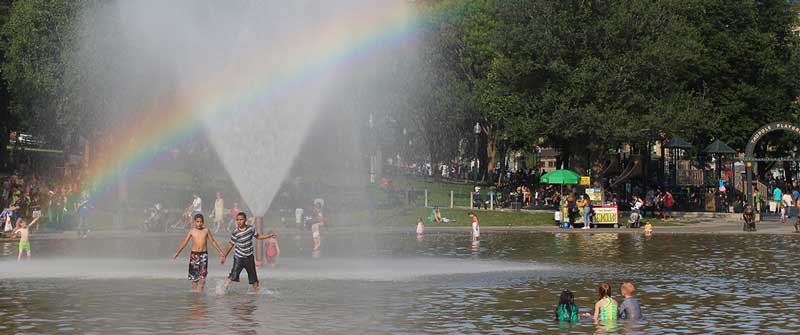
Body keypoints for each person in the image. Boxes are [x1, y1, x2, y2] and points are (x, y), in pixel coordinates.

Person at [221, 212, 277, 292]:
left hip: (249, 258)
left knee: (253, 278)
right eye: (237, 220)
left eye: (241, 220)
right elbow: (231, 244)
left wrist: (269, 236)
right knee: (233, 275)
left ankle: (257, 291)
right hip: (239, 258)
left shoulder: (251, 229)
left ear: (245, 220)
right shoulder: (235, 232)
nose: (239, 222)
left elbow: (258, 236)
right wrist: (224, 255)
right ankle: (222, 289)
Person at [173, 214, 225, 293]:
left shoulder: (206, 230)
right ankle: (195, 298)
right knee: (194, 279)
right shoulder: (192, 231)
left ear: (203, 222)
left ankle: (200, 296)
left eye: (201, 222)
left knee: (202, 278)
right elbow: (185, 242)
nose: (199, 223)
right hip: (194, 255)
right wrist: (177, 252)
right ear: (194, 222)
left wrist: (221, 252)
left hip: (204, 255)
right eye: (197, 222)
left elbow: (213, 241)